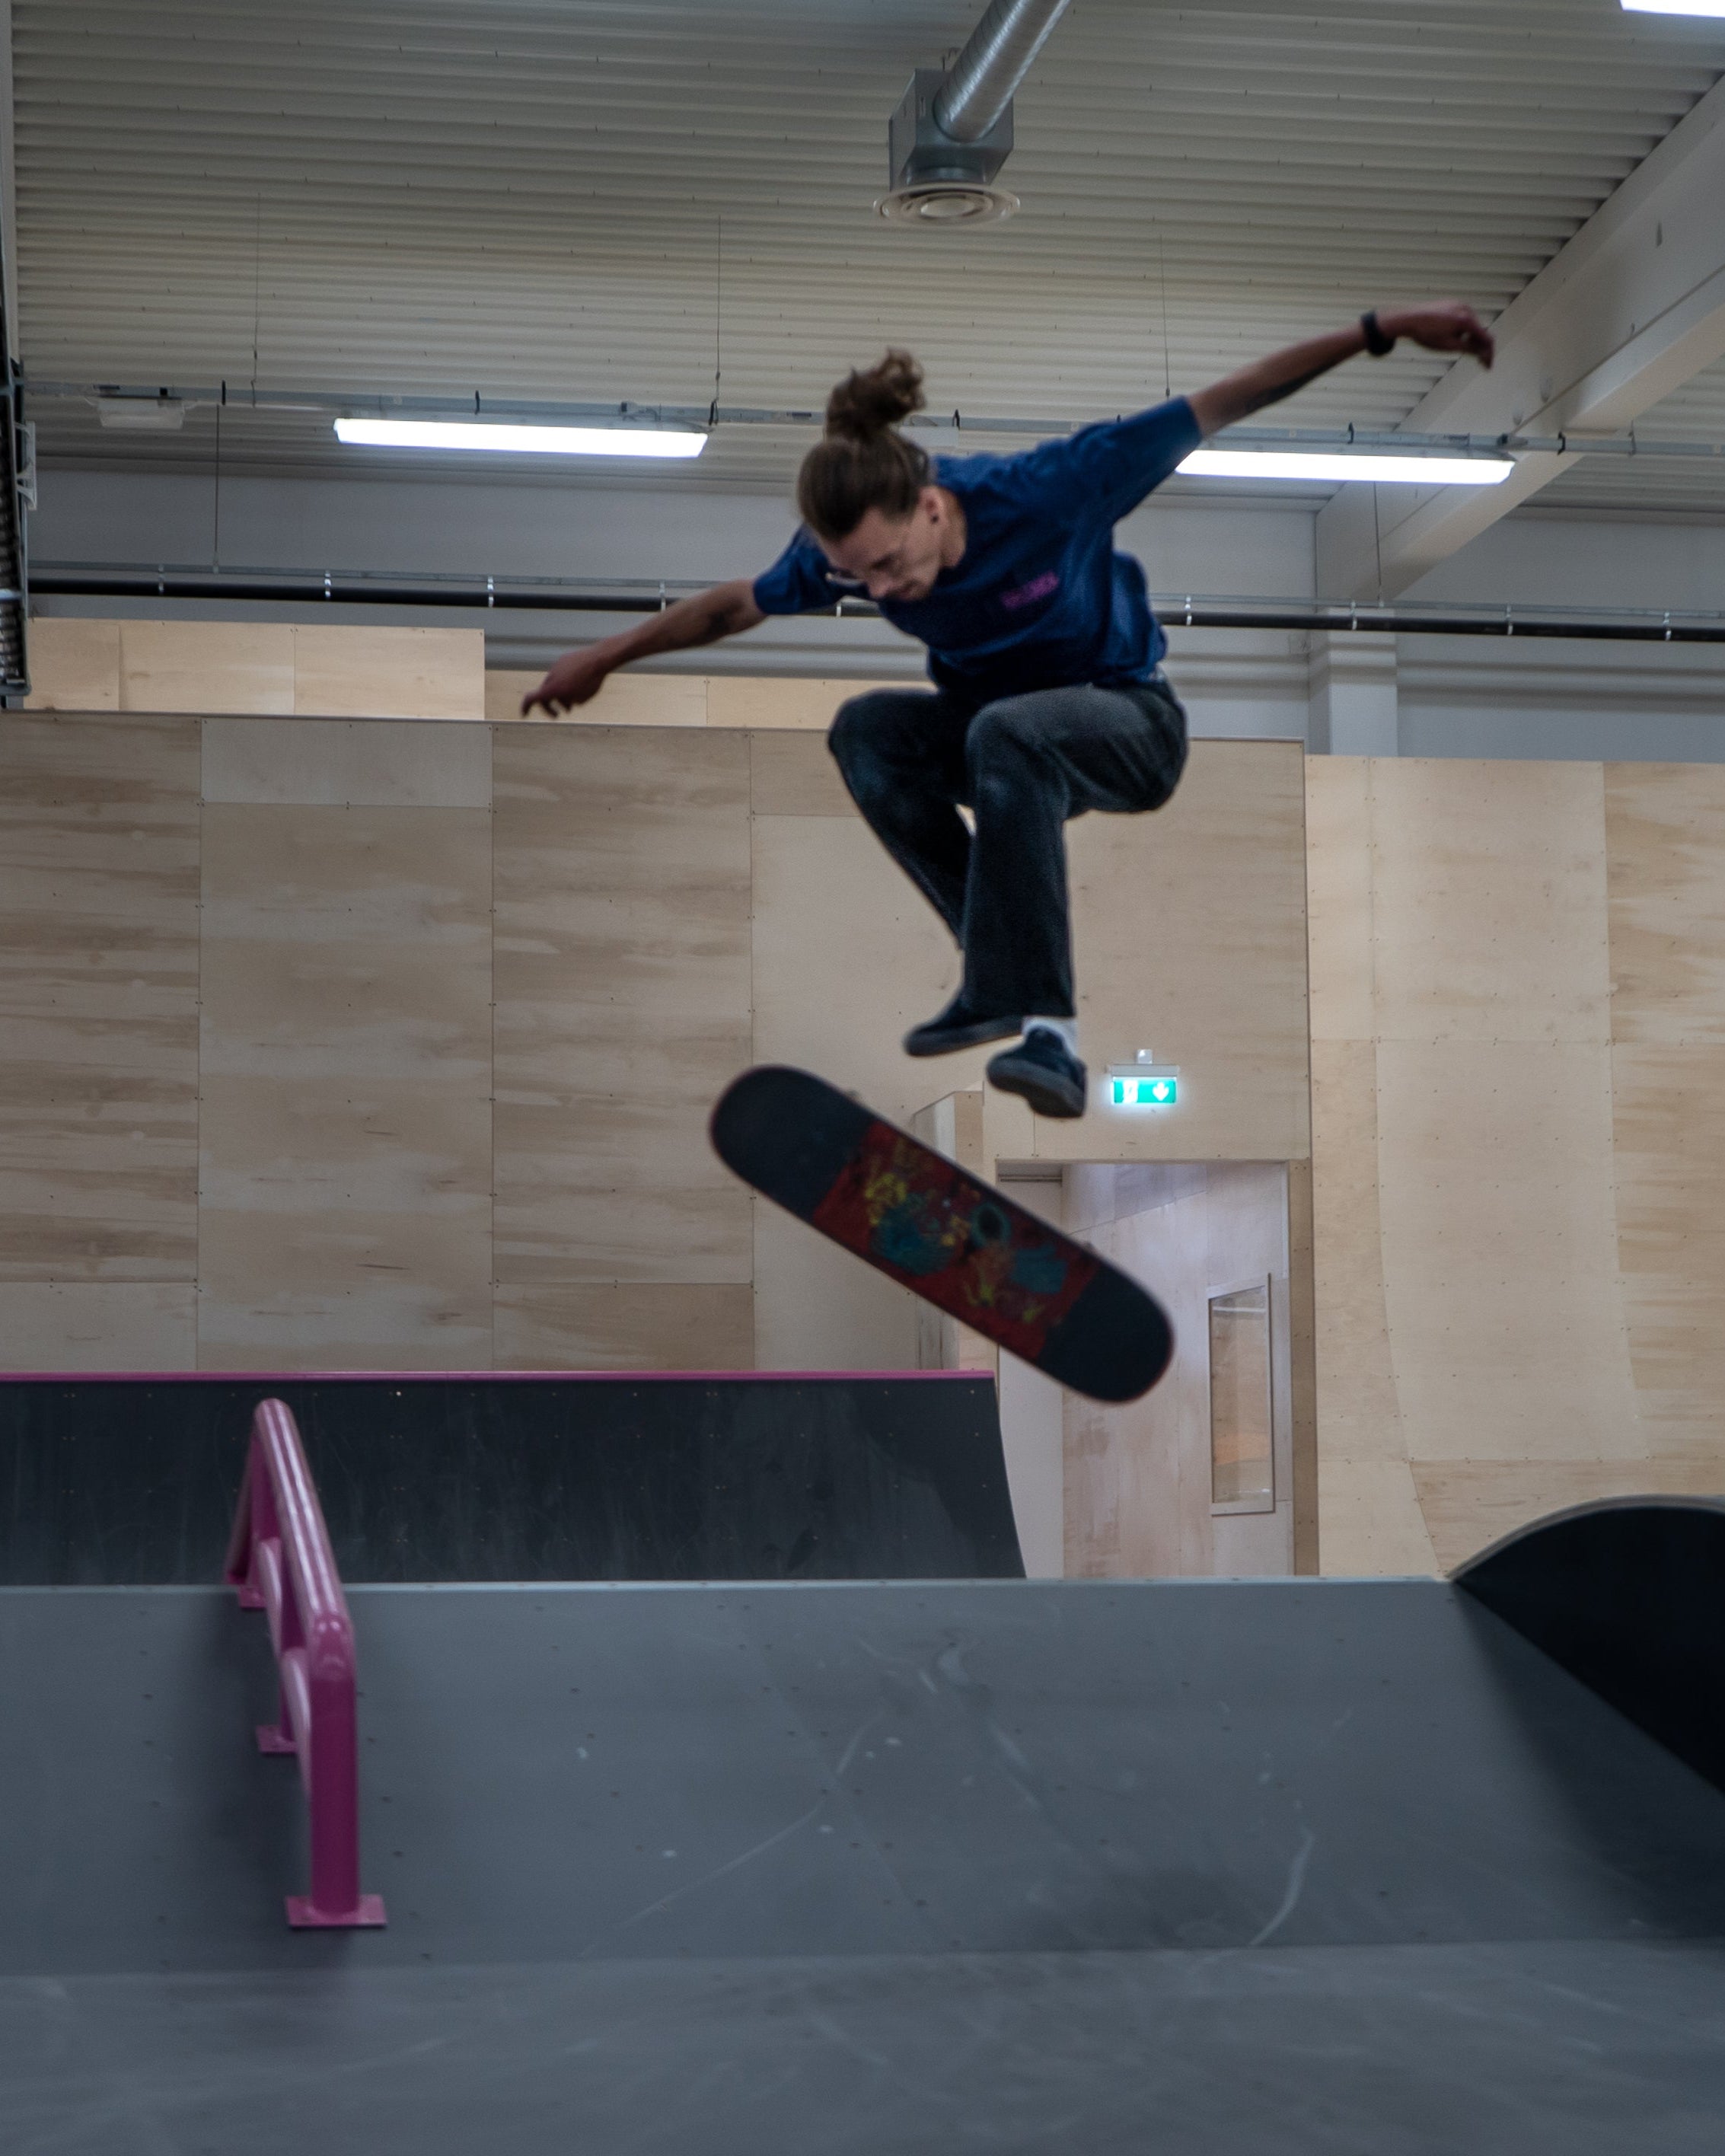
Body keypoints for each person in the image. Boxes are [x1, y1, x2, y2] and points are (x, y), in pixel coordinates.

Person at [525, 302, 1494, 1118]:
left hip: (1127, 727)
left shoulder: (1054, 490)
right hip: (1008, 754)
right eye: (858, 580)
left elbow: (1228, 401)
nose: (885, 591)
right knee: (867, 733)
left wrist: (1382, 328)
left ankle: (1051, 1036)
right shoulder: (849, 558)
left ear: (934, 507)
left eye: (892, 565)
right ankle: (992, 972)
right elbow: (735, 603)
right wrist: (606, 656)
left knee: (1005, 728)